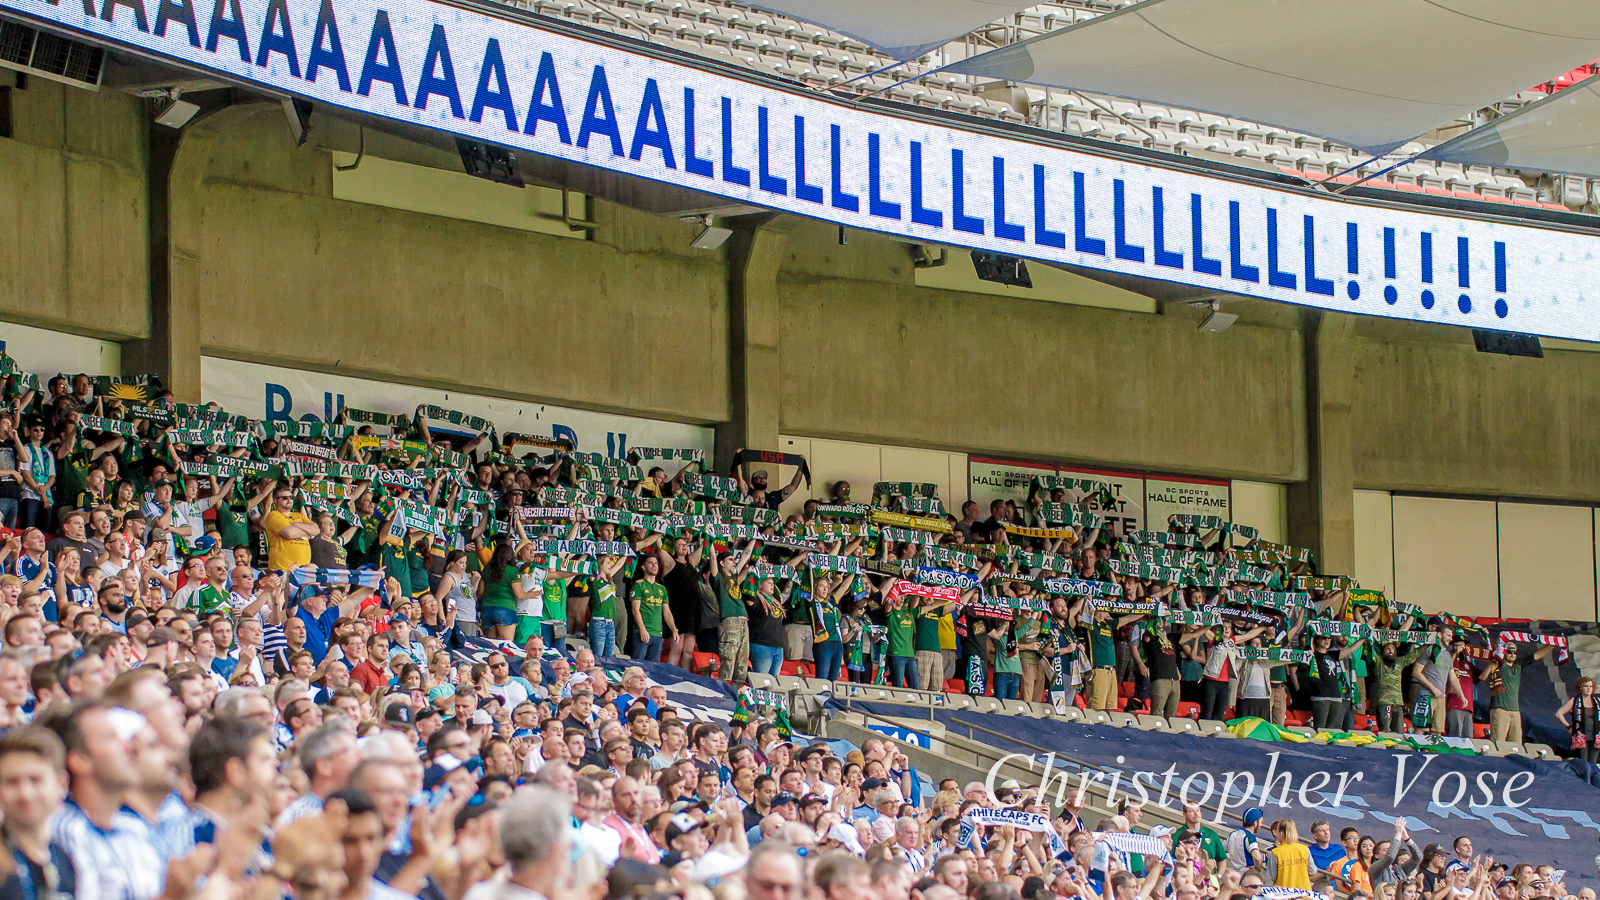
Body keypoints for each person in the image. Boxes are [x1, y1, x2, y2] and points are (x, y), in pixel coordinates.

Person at [0, 727, 78, 899]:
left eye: (35, 780)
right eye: (12, 782)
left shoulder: (63, 858)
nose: (25, 794)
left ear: (61, 785)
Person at [1555, 675, 1598, 764]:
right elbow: (1559, 713)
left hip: (1595, 736)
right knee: (1582, 762)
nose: (1588, 689)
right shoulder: (1575, 701)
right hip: (1581, 735)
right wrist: (1568, 727)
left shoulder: (1597, 701)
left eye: (1590, 686)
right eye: (1586, 686)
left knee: (1593, 762)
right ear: (1581, 687)